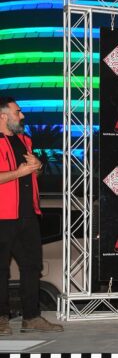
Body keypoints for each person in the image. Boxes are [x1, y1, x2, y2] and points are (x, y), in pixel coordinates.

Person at [0, 96, 64, 335]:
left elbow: (32, 174)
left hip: (28, 215)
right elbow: (17, 173)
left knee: (32, 267)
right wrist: (18, 172)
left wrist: (37, 167)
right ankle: (1, 320)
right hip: (2, 216)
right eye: (18, 112)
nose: (23, 116)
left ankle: (31, 317)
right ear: (3, 116)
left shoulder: (25, 140)